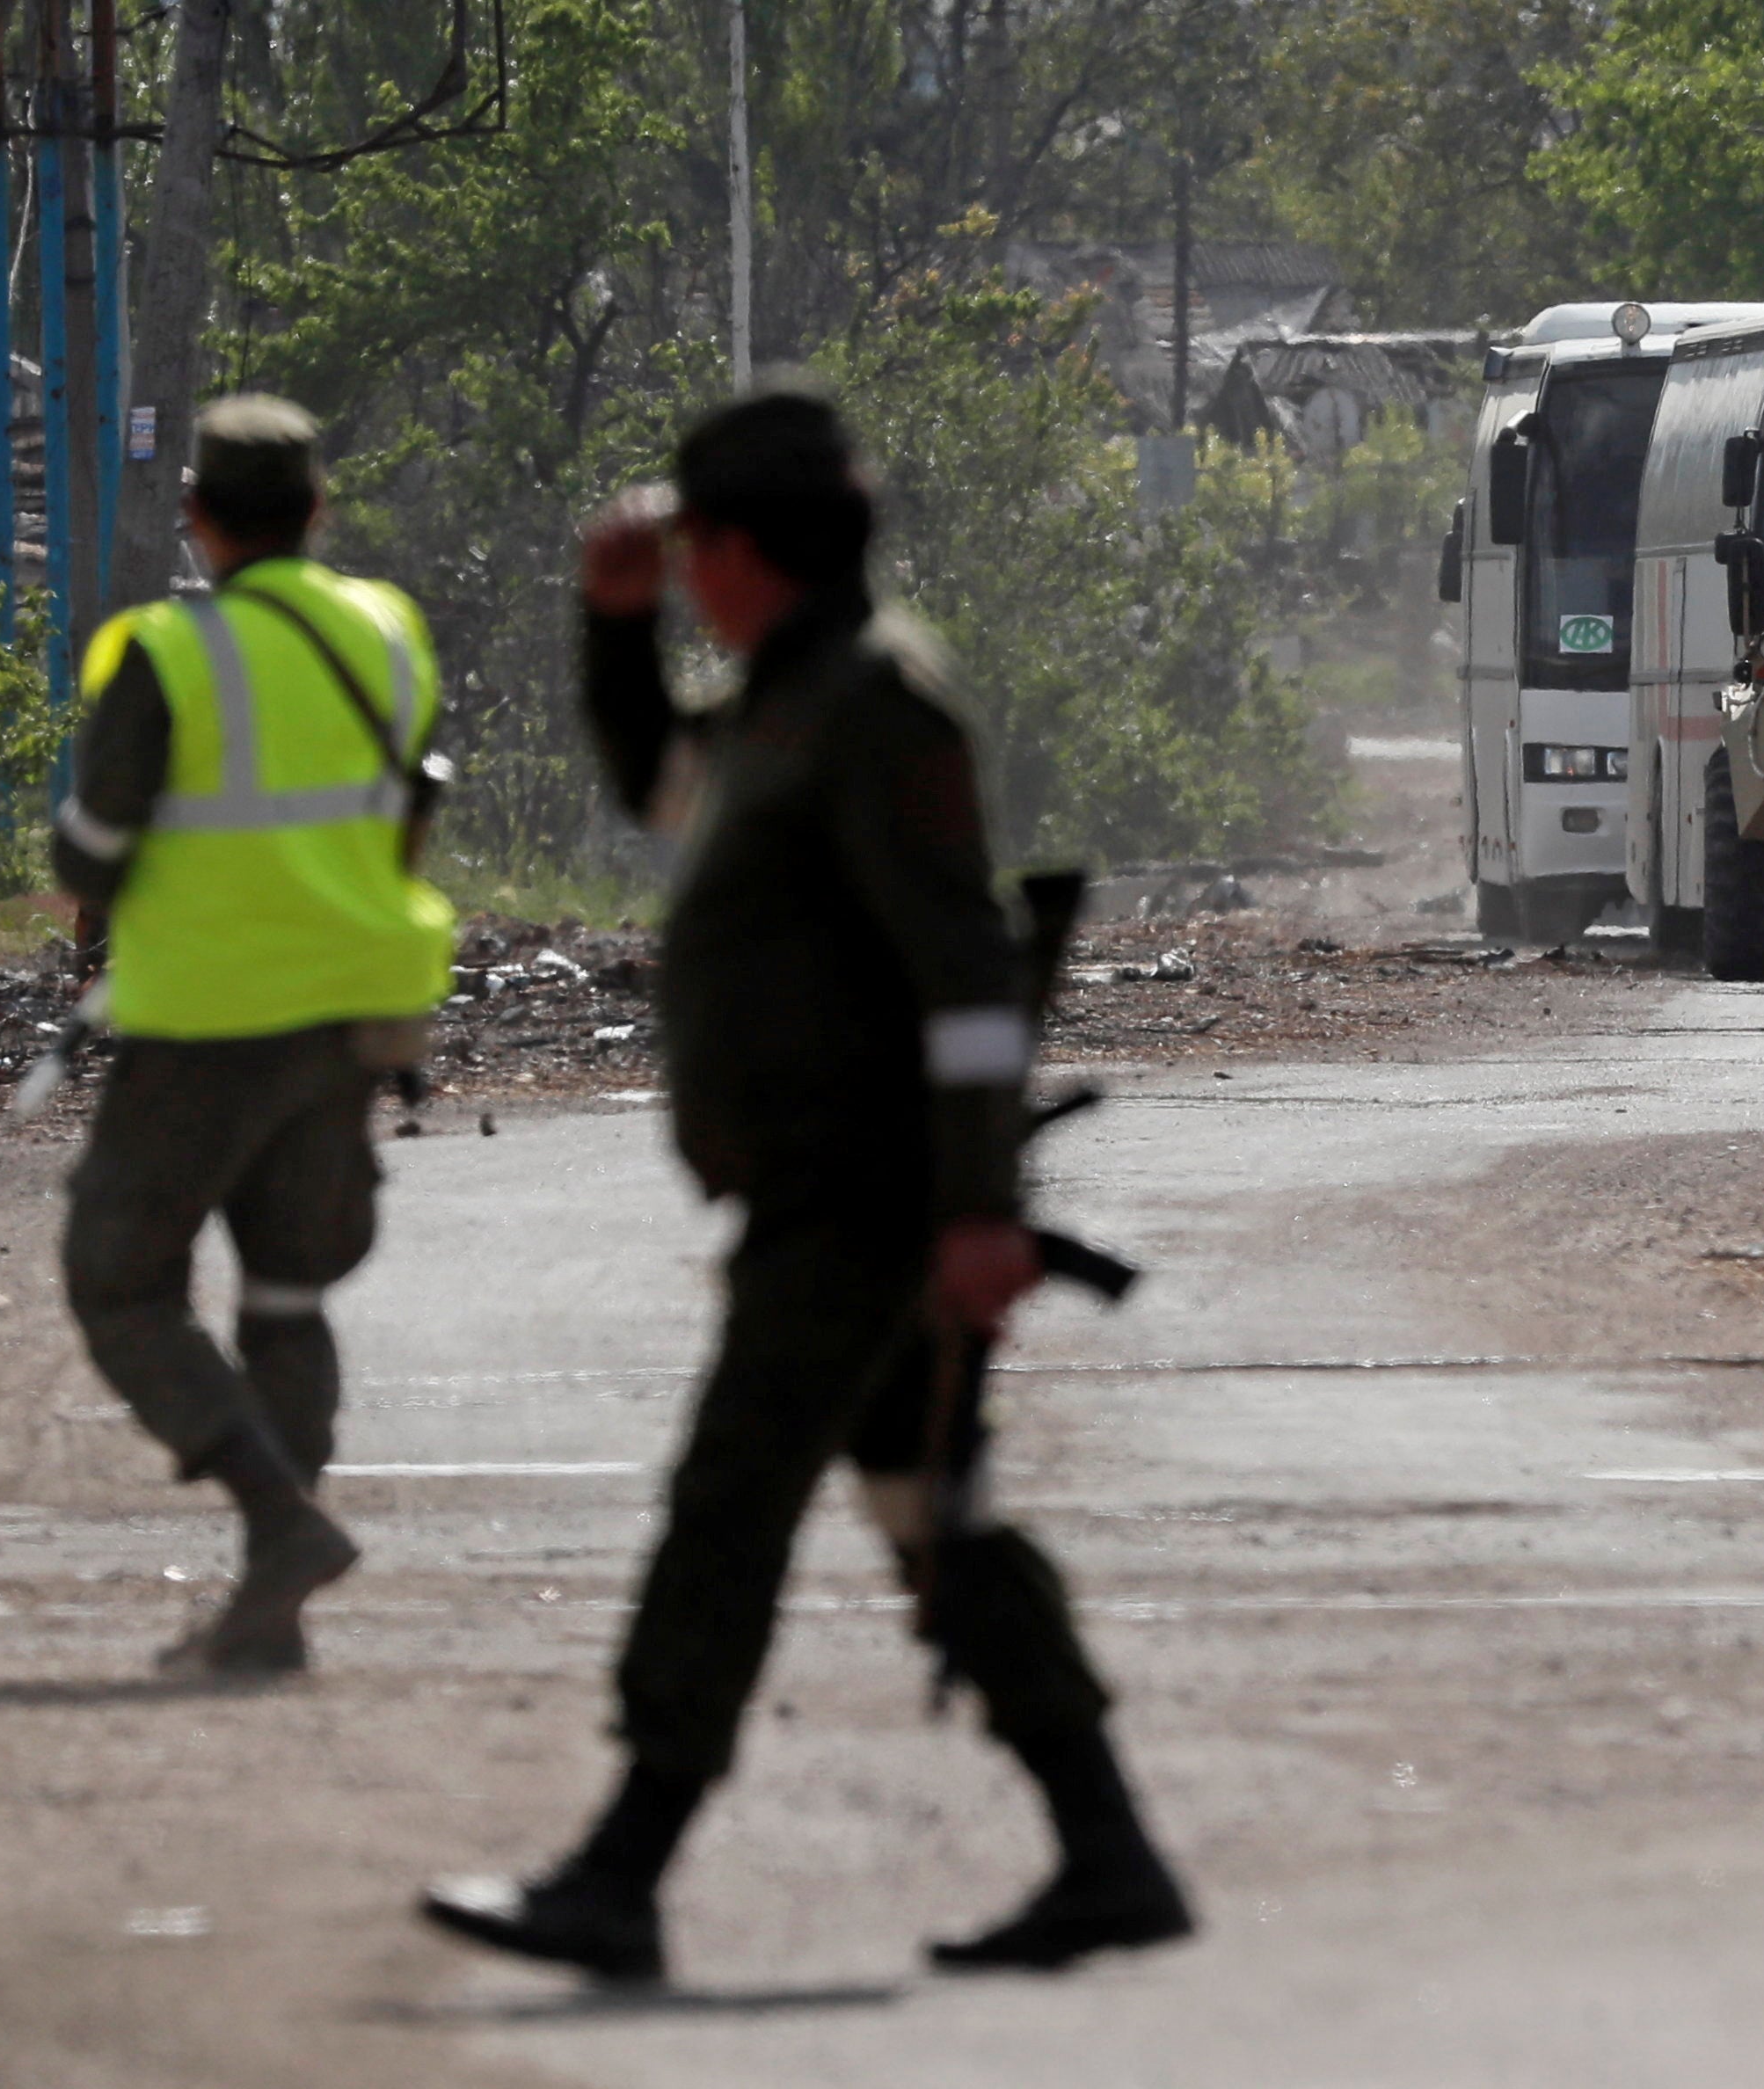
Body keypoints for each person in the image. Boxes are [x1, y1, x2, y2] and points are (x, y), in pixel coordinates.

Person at [419, 385, 1191, 1984]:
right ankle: (1108, 1852)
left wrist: (977, 1212)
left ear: (744, 548)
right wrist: (613, 629)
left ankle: (622, 1873)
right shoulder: (781, 702)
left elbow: (969, 977)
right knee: (930, 1512)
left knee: (728, 1506)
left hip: (869, 1203)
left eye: (693, 549)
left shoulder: (875, 709)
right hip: (837, 1196)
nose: (684, 571)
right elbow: (656, 790)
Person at [54, 393, 456, 1678]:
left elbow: (93, 845)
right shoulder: (388, 632)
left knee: (120, 1280)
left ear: (194, 515)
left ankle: (282, 1524)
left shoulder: (164, 652)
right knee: (287, 1296)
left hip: (207, 1018)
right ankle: (267, 1610)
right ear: (320, 510)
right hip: (354, 1013)